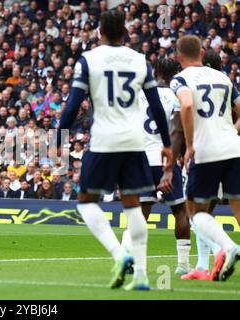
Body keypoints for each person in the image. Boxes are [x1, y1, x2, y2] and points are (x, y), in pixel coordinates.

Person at [59, 11, 173, 291]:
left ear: (100, 32)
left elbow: (74, 104)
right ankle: (143, 275)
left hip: (104, 140)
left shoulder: (89, 60)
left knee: (86, 201)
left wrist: (59, 134)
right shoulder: (139, 60)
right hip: (135, 141)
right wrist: (168, 144)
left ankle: (119, 254)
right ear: (124, 31)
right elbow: (156, 105)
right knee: (133, 204)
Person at [170, 35, 240, 281]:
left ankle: (229, 247)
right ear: (201, 52)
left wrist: (190, 146)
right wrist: (233, 131)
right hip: (234, 148)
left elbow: (187, 107)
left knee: (196, 211)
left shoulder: (180, 79)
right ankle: (202, 267)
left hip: (206, 151)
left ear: (178, 57)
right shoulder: (223, 78)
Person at [121, 58, 192, 275]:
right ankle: (182, 265)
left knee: (140, 213)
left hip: (141, 160)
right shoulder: (176, 96)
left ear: (155, 71)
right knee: (179, 210)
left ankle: (128, 257)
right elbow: (179, 129)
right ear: (175, 73)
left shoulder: (139, 95)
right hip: (165, 160)